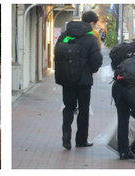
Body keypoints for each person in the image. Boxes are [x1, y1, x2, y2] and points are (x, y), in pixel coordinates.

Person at [55, 13, 103, 150]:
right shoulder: (91, 38)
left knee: (68, 107)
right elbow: (97, 60)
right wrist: (90, 71)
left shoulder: (65, 35)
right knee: (83, 110)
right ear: (92, 23)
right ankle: (81, 140)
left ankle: (66, 134)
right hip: (84, 82)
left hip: (67, 80)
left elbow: (57, 55)